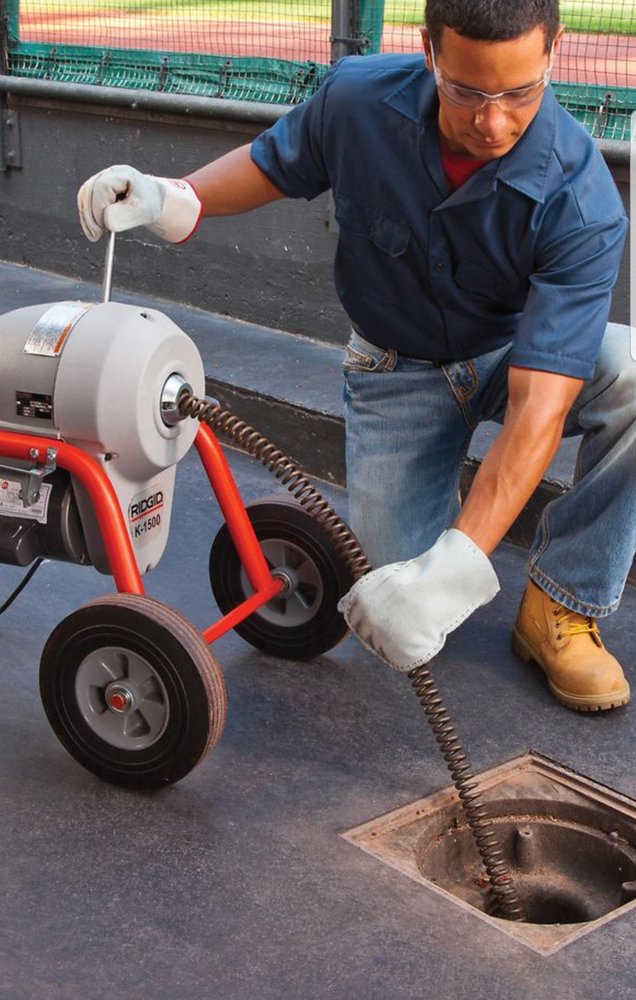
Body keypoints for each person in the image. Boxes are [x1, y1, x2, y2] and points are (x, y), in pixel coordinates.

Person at [77, 0, 634, 712]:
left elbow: (540, 406)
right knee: (385, 594)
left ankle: (561, 602)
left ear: (554, 50)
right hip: (395, 369)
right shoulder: (359, 100)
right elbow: (272, 165)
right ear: (428, 51)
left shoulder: (581, 198)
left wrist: (456, 570)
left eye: (520, 93)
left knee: (632, 377)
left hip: (511, 355)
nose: (492, 122)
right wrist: (170, 197)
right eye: (467, 92)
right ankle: (436, 524)